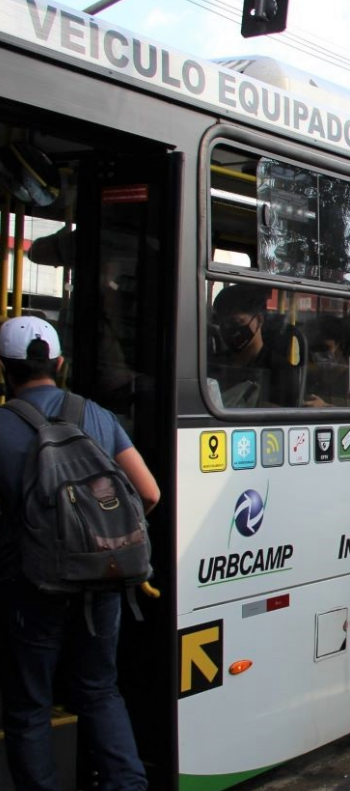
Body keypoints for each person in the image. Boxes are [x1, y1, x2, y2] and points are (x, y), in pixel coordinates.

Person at [0, 315, 160, 791]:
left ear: (5, 370)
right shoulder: (97, 416)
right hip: (101, 578)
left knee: (29, 707)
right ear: (60, 364)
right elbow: (149, 493)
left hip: (28, 586)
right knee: (99, 690)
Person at [208, 284, 300, 408]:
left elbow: (270, 417)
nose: (229, 329)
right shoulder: (214, 363)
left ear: (259, 320)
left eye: (236, 322)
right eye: (223, 324)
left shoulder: (281, 371)